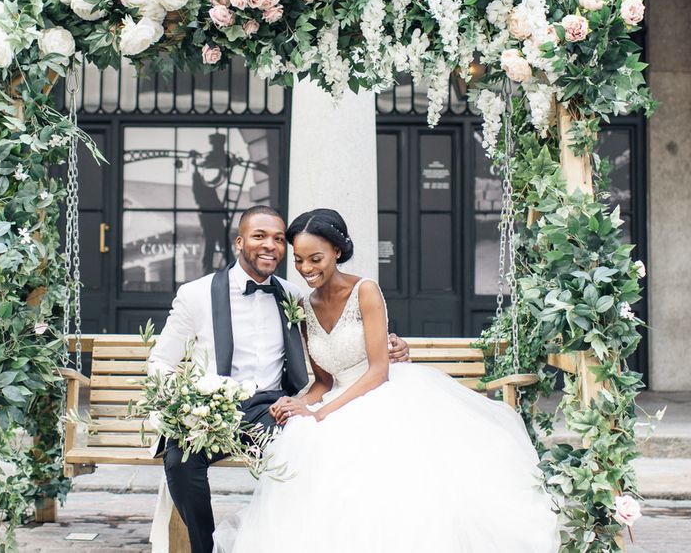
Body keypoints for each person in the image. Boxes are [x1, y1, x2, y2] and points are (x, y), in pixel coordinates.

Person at [213, 208, 560, 553]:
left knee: (370, 462)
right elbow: (322, 380)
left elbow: (379, 370)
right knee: (306, 446)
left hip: (380, 392)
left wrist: (321, 414)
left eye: (315, 258)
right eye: (300, 260)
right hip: (336, 397)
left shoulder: (365, 290)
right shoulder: (304, 304)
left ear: (337, 251)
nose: (306, 270)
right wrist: (301, 403)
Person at [147, 205, 410, 553]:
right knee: (179, 460)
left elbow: (340, 348)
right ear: (240, 242)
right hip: (210, 409)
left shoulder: (294, 296)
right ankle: (204, 548)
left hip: (269, 410)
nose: (270, 245)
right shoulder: (196, 294)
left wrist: (395, 346)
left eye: (277, 239)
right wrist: (180, 407)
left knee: (309, 450)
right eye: (259, 236)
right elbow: (162, 361)